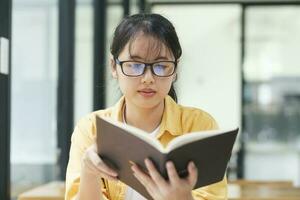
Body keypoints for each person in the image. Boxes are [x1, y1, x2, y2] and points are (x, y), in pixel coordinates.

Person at [65, 13, 227, 200]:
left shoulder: (199, 126)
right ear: (113, 67)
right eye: (134, 65)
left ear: (175, 70)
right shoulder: (91, 128)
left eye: (160, 65)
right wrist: (89, 173)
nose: (148, 78)